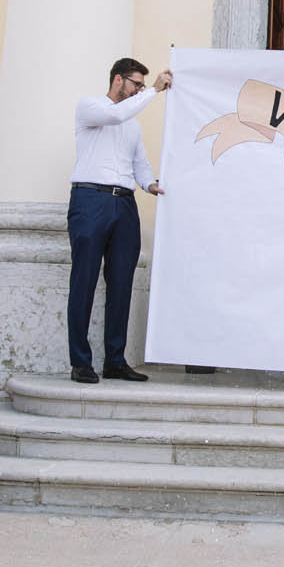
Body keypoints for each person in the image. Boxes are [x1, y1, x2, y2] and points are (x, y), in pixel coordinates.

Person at [66, 58, 169, 384]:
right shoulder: (91, 107)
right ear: (117, 79)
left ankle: (115, 359)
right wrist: (153, 92)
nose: (139, 88)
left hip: (124, 205)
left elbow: (139, 163)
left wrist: (151, 184)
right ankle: (80, 361)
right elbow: (116, 114)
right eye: (135, 83)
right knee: (83, 280)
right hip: (90, 200)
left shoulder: (133, 126)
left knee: (122, 283)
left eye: (142, 84)